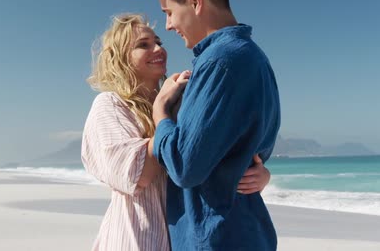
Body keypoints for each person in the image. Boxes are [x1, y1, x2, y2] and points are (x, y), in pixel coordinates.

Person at [81, 14, 271, 251]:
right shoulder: (110, 104)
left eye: (158, 41)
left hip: (183, 238)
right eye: (144, 45)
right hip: (136, 239)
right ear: (121, 58)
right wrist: (162, 111)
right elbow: (137, 174)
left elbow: (212, 156)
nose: (158, 48)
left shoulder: (179, 102)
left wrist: (259, 174)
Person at [147, 0, 281, 250]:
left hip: (217, 237)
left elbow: (184, 166)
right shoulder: (256, 59)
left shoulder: (220, 62)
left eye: (169, 13)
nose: (168, 25)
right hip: (244, 232)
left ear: (194, 2)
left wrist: (161, 114)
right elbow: (258, 151)